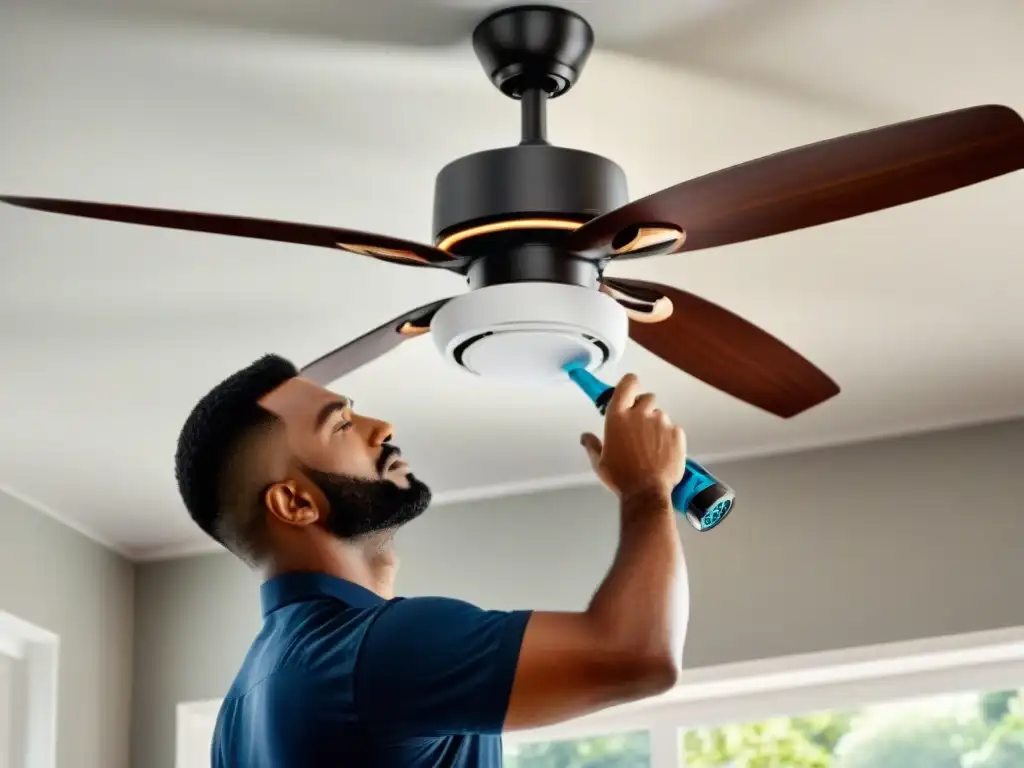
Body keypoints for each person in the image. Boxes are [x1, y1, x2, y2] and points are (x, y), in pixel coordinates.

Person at [174, 354, 690, 767]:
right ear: (296, 504)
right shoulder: (376, 648)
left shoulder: (236, 718)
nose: (380, 427)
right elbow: (638, 657)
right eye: (342, 425)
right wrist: (647, 488)